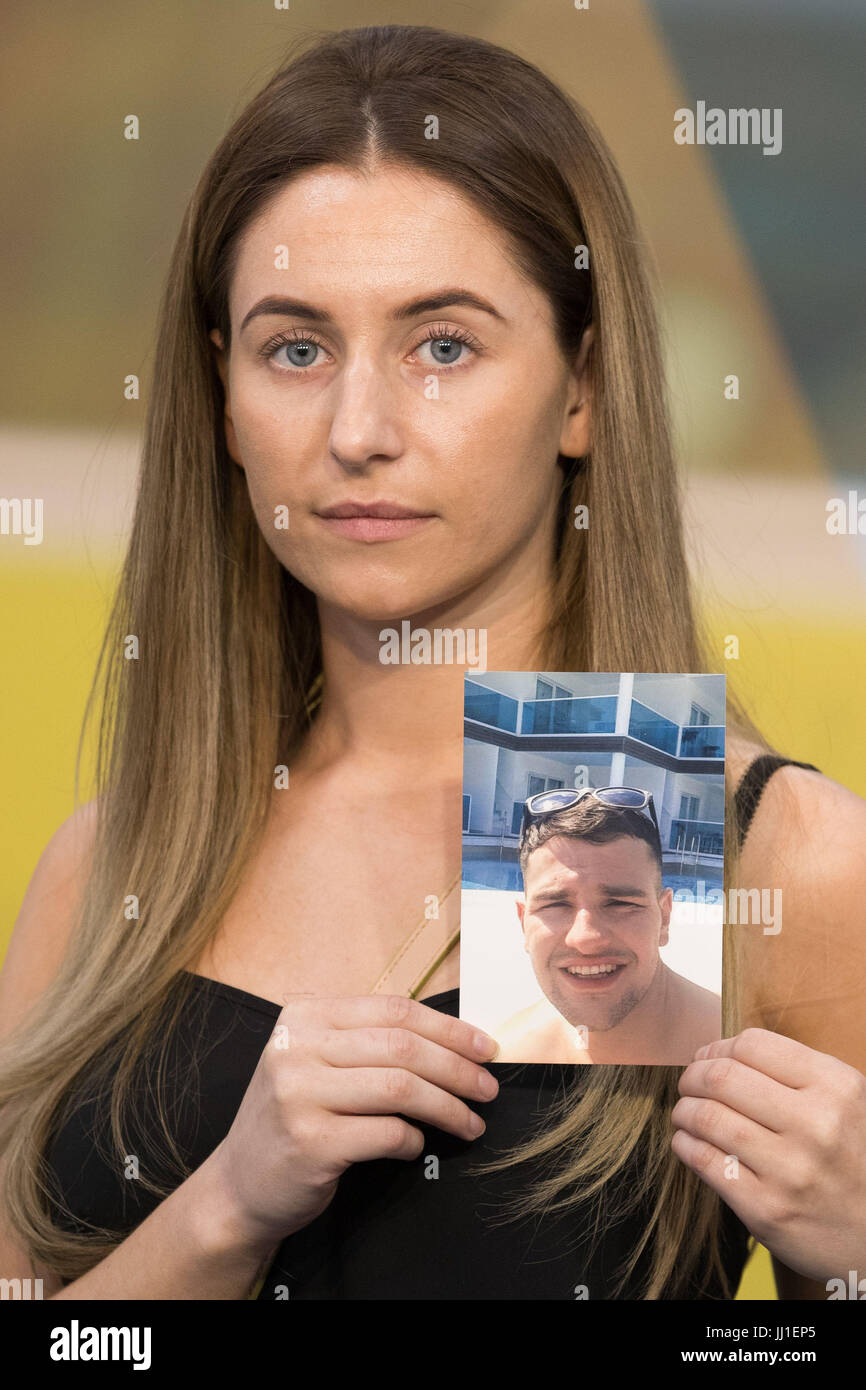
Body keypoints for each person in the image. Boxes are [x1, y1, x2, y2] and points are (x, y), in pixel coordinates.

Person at [1, 24, 865, 1301]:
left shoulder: (782, 862)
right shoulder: (110, 869)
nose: (358, 431)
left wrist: (854, 1266)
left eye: (442, 346)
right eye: (295, 348)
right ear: (224, 400)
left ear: (580, 390)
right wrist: (221, 1212)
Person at [494, 793, 721, 1065]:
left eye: (619, 903)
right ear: (523, 924)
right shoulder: (507, 1055)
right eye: (554, 905)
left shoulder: (732, 1045)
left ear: (665, 917)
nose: (586, 939)